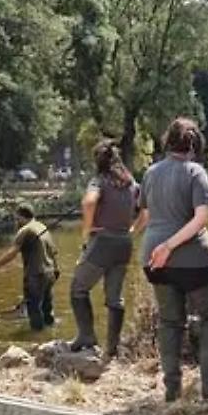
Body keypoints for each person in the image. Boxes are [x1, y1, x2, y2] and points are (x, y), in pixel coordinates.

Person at [138, 117, 208, 402]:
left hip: (153, 259)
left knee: (170, 322)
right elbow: (202, 217)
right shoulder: (196, 172)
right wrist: (169, 245)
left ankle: (172, 389)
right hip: (191, 258)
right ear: (194, 146)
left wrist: (141, 239)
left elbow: (144, 216)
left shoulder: (151, 172)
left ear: (169, 142)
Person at [69, 141, 139, 357]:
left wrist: (87, 232)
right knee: (115, 298)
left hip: (102, 242)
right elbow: (147, 211)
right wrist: (132, 230)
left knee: (78, 288)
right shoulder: (131, 184)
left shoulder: (98, 181)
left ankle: (87, 336)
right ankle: (112, 348)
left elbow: (89, 203)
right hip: (124, 243)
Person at [0, 203, 59, 331]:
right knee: (47, 309)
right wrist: (56, 270)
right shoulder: (42, 227)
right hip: (49, 273)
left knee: (34, 310)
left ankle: (37, 338)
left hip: (35, 275)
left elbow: (12, 253)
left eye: (17, 219)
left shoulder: (25, 230)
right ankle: (51, 336)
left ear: (22, 217)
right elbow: (53, 252)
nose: (16, 222)